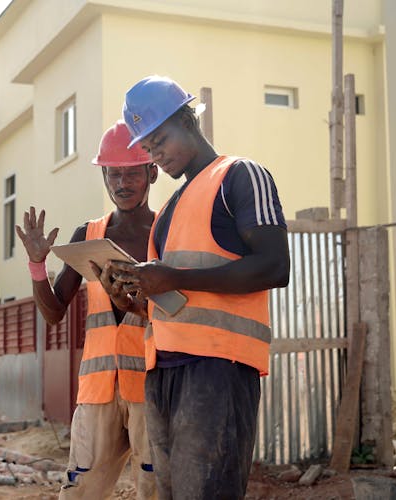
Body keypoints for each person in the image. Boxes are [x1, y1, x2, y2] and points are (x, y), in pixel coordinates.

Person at [108, 75, 290, 499]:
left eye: (160, 140)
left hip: (218, 370)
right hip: (163, 372)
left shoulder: (240, 176)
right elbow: (179, 301)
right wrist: (134, 300)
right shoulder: (171, 207)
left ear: (187, 121)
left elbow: (275, 266)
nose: (156, 154)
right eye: (148, 148)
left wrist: (174, 278)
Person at [16, 120, 158, 499]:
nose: (121, 184)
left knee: (156, 491)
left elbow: (180, 310)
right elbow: (53, 313)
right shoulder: (89, 235)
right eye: (113, 174)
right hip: (97, 394)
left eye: (131, 174)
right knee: (79, 493)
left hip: (153, 390)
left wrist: (132, 303)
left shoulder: (168, 232)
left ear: (153, 172)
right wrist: (36, 265)